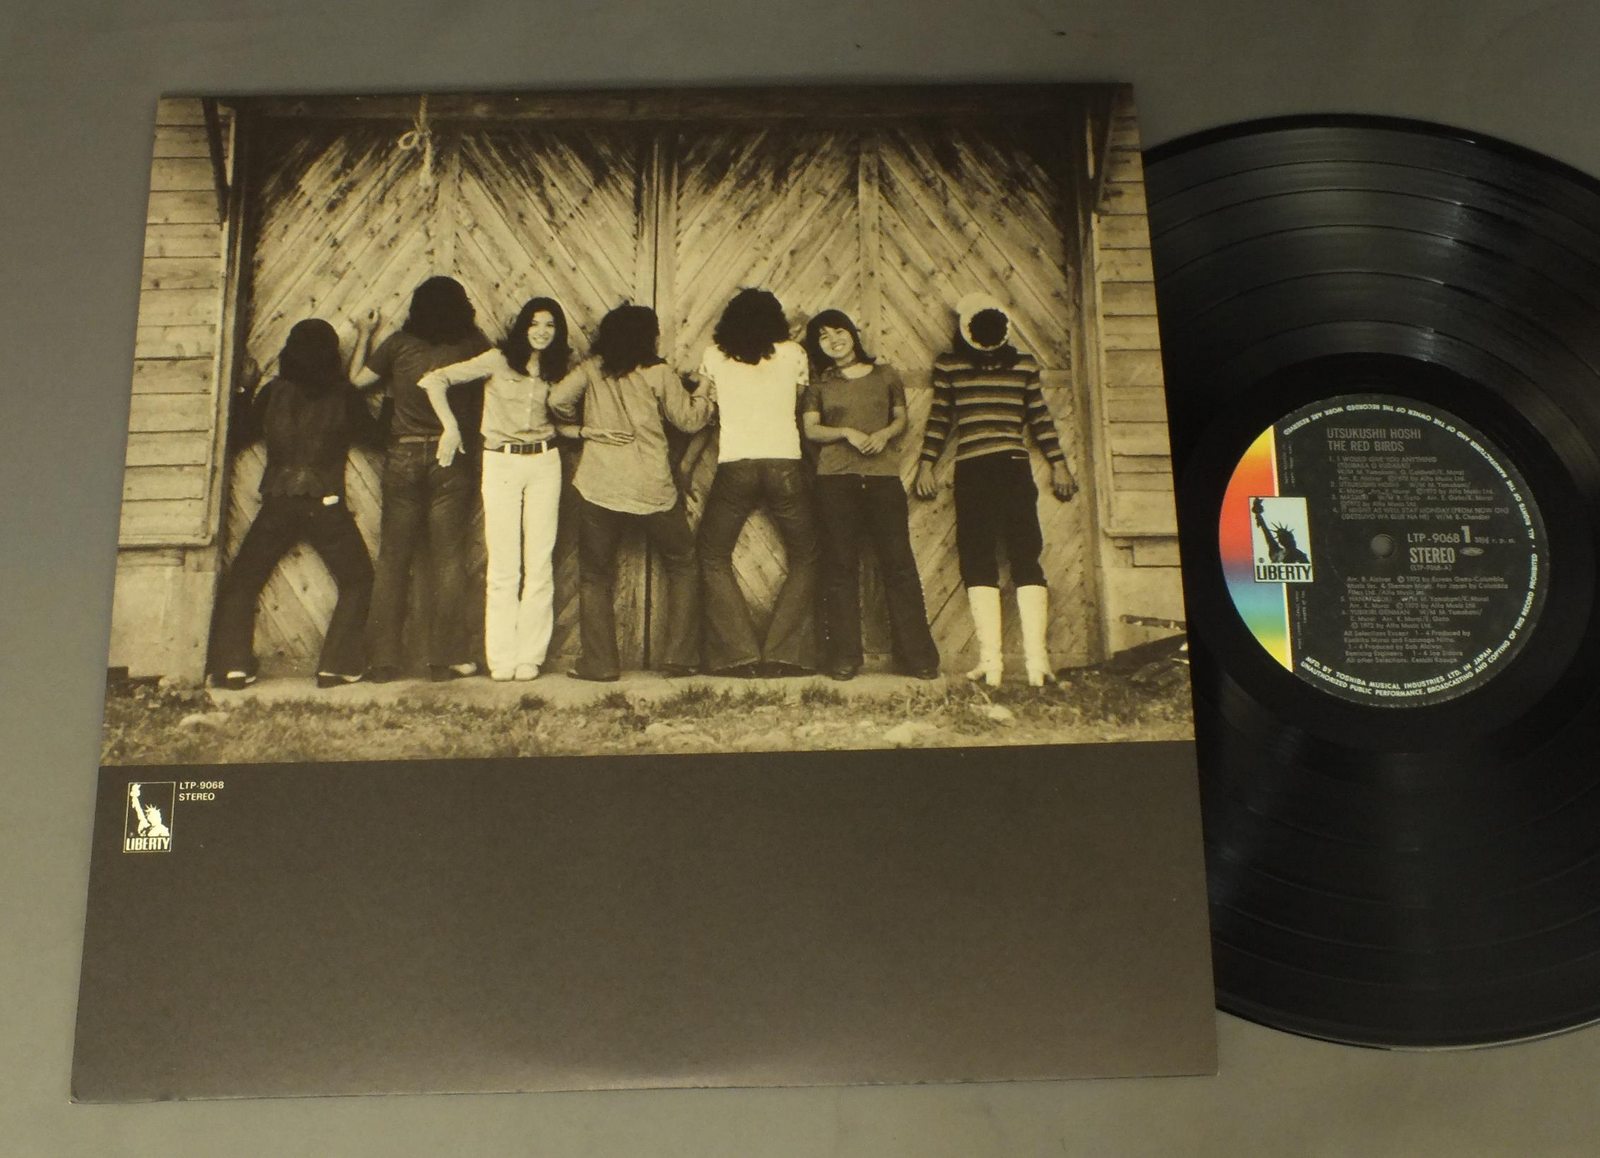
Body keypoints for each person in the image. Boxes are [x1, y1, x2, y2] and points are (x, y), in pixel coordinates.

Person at [913, 293, 1078, 687]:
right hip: (972, 469)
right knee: (977, 557)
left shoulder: (1023, 364)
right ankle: (992, 664)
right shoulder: (950, 366)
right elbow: (940, 417)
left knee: (1025, 554)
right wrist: (926, 463)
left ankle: (1037, 663)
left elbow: (1039, 417)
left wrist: (1059, 463)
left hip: (1012, 468)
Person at [212, 318, 380, 690]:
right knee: (358, 580)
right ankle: (336, 666)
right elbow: (377, 438)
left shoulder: (272, 393)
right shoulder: (345, 396)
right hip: (327, 503)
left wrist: (244, 388)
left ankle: (232, 666)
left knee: (243, 581)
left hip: (278, 502)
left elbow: (238, 436)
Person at [548, 304, 713, 681]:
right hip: (651, 485)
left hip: (599, 484)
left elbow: (557, 400)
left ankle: (600, 664)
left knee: (594, 575)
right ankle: (680, 658)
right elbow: (689, 421)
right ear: (648, 337)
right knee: (683, 564)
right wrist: (704, 394)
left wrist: (584, 429)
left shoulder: (592, 368)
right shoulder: (659, 373)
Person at [418, 297, 575, 682]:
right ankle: (501, 658)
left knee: (539, 563)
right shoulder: (497, 360)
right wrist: (451, 429)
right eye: (534, 323)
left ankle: (530, 657)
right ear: (522, 327)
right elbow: (434, 380)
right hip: (501, 462)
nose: (541, 332)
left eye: (550, 325)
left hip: (545, 463)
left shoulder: (559, 368)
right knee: (504, 565)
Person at [351, 277, 491, 683]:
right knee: (449, 560)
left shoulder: (399, 344)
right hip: (452, 458)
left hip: (404, 456)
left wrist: (364, 334)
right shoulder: (472, 344)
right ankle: (446, 660)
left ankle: (382, 662)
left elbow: (357, 382)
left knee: (393, 559)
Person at [800, 309, 940, 681]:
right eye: (823, 337)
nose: (833, 340)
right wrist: (846, 432)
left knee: (899, 566)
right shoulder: (820, 384)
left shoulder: (885, 374)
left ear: (852, 333)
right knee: (840, 568)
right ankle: (845, 657)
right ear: (818, 346)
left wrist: (884, 435)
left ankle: (918, 658)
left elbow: (901, 419)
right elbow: (811, 430)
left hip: (882, 480)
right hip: (835, 482)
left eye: (838, 331)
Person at [694, 288, 819, 677]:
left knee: (712, 554)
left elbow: (703, 405)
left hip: (736, 464)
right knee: (808, 555)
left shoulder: (714, 355)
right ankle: (786, 654)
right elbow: (798, 403)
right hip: (785, 463)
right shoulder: (794, 354)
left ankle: (737, 654)